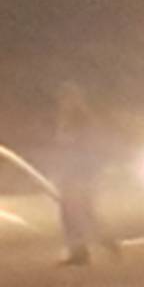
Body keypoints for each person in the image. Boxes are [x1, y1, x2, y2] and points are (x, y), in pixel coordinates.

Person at [51, 84, 117, 268]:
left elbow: (84, 147)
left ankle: (103, 242)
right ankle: (81, 250)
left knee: (81, 213)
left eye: (67, 99)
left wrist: (82, 173)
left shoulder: (81, 120)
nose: (63, 103)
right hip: (73, 173)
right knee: (73, 214)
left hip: (80, 174)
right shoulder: (69, 119)